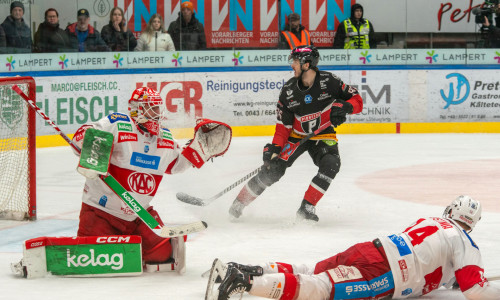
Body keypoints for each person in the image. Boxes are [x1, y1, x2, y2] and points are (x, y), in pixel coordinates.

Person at [211, 196, 500, 300]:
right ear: (472, 223)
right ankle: (246, 283)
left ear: (450, 210)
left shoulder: (431, 220)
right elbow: (475, 290)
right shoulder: (465, 241)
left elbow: (439, 268)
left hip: (371, 248)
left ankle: (246, 268)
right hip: (385, 274)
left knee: (312, 269)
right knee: (321, 288)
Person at [72, 87, 231, 271]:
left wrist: (199, 151)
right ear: (137, 108)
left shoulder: (165, 137)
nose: (156, 113)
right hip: (100, 212)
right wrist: (89, 142)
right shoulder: (117, 123)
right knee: (93, 259)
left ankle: (133, 249)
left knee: (163, 256)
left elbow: (175, 165)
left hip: (139, 215)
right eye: (151, 108)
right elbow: (83, 137)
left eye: (157, 108)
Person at [228, 45, 363, 222]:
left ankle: (306, 208)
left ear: (306, 64)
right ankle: (239, 203)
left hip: (323, 134)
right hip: (296, 136)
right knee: (273, 170)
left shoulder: (330, 81)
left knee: (331, 163)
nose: (292, 65)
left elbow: (357, 99)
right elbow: (282, 128)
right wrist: (275, 148)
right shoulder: (288, 91)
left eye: (295, 61)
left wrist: (347, 107)